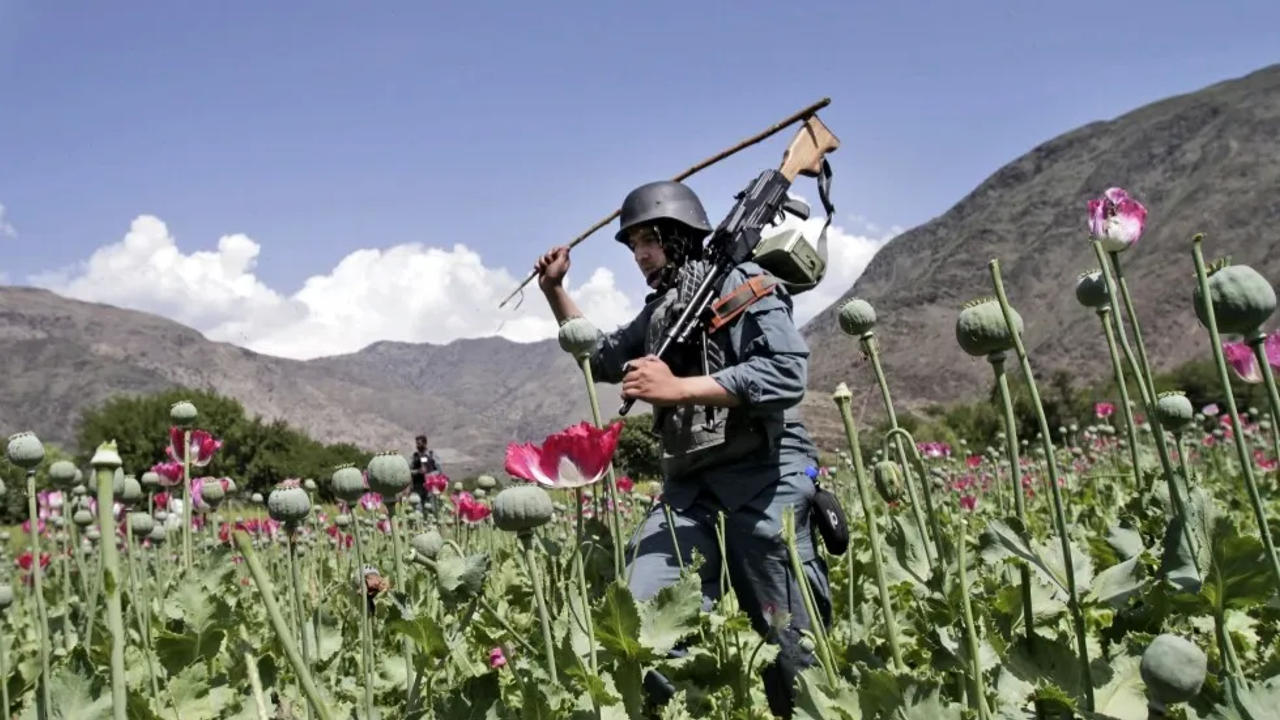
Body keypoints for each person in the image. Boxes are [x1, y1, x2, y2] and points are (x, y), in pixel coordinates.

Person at [533, 180, 830, 717]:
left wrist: (677, 388)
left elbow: (787, 374)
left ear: (680, 235)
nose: (641, 255)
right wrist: (556, 291)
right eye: (633, 246)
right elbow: (601, 358)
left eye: (649, 240)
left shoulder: (746, 283)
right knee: (641, 627)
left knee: (792, 648)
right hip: (689, 490)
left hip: (765, 478)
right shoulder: (663, 312)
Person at [409, 434, 440, 509]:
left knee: (430, 508)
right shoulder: (414, 456)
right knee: (418, 509)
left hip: (430, 488)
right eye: (417, 444)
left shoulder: (432, 455)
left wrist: (429, 475)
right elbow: (409, 471)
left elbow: (439, 471)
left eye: (419, 444)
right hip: (418, 487)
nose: (417, 446)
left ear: (425, 443)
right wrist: (417, 471)